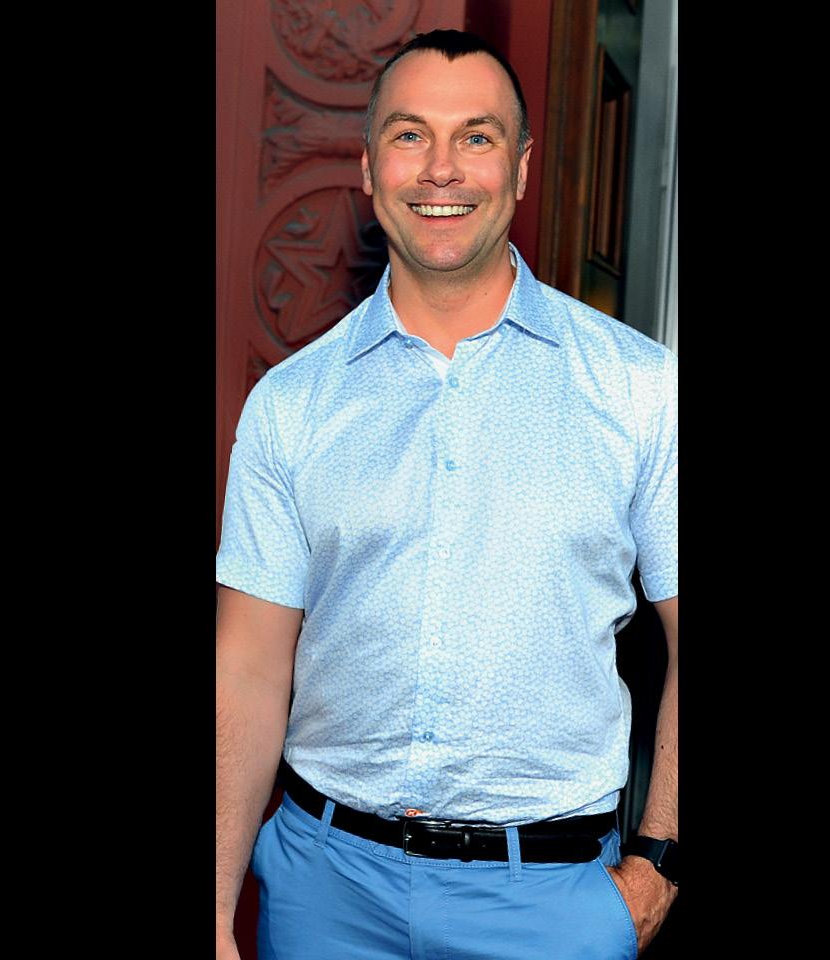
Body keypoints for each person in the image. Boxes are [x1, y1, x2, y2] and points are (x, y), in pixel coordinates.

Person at [216, 29, 677, 960]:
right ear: (368, 166)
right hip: (322, 895)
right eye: (409, 134)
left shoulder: (640, 389)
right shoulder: (292, 404)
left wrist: (660, 860)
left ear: (521, 168)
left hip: (551, 905)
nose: (441, 169)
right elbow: (249, 667)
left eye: (476, 136)